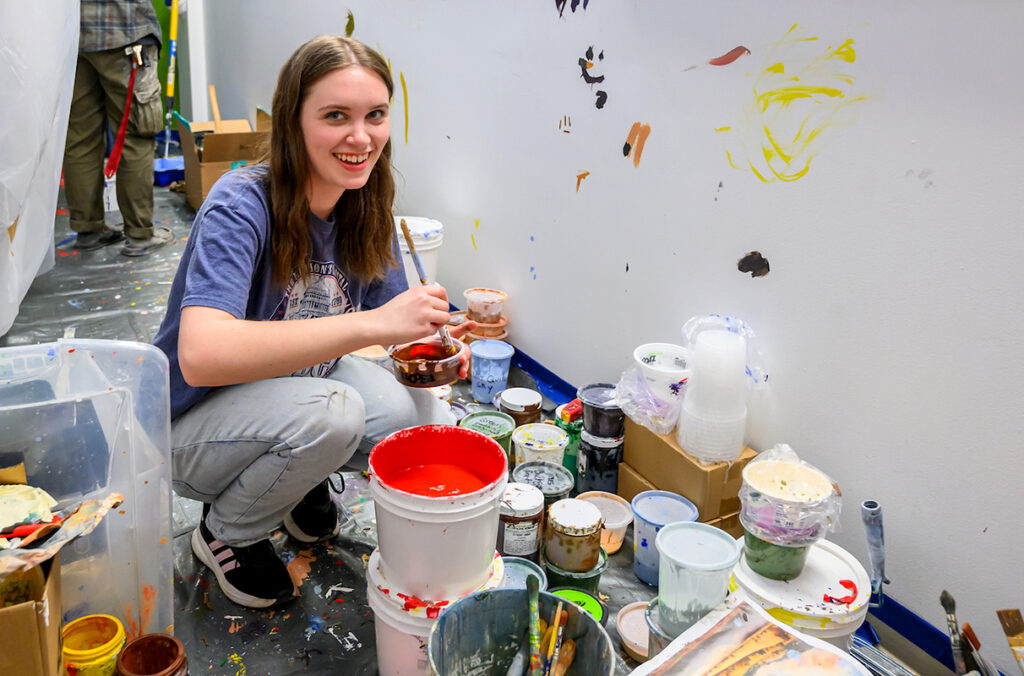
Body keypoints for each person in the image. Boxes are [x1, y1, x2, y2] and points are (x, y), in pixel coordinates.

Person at [152, 35, 476, 608]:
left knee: (418, 411)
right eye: (335, 117)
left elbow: (399, 331)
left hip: (282, 398)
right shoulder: (241, 203)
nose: (361, 137)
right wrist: (371, 324)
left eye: (375, 115)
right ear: (292, 121)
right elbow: (201, 356)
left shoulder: (364, 202)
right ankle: (226, 532)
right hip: (191, 428)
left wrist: (437, 344)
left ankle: (296, 486)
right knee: (336, 412)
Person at [64, 0, 174, 255]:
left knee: (80, 139)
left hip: (73, 37)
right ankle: (139, 235)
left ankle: (88, 230)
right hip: (125, 32)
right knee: (136, 135)